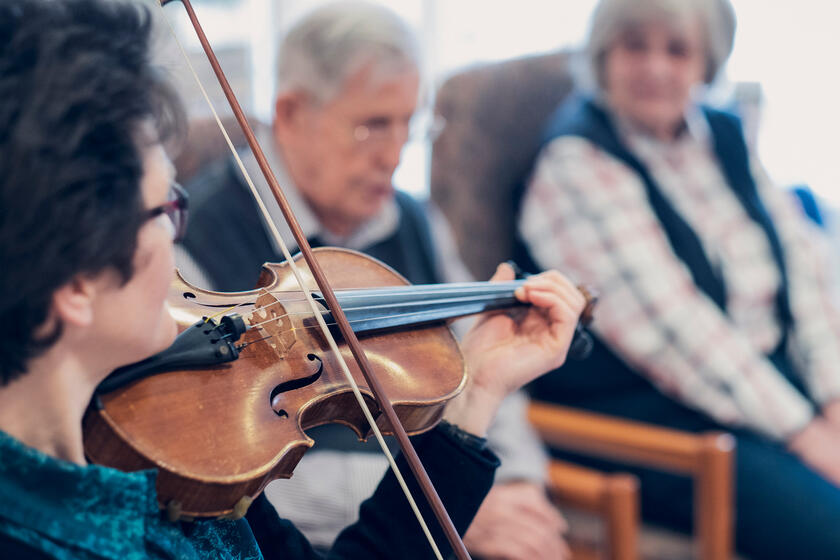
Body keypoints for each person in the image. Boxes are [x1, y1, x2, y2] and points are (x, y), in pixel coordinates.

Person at [0, 0, 586, 558]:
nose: (177, 236)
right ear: (75, 283)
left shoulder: (175, 472)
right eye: (164, 210)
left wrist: (475, 387)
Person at [177, 4, 570, 559]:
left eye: (411, 123)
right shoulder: (193, 252)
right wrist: (456, 501)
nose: (395, 153)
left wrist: (516, 481)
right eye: (373, 125)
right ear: (289, 114)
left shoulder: (417, 222)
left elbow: (480, 363)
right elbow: (223, 469)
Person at [518, 0, 840, 558]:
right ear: (604, 54)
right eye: (634, 46)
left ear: (706, 62)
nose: (656, 67)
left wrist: (833, 399)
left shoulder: (722, 134)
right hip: (661, 414)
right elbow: (682, 335)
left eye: (677, 49)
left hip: (764, 384)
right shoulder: (576, 163)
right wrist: (809, 435)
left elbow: (803, 268)